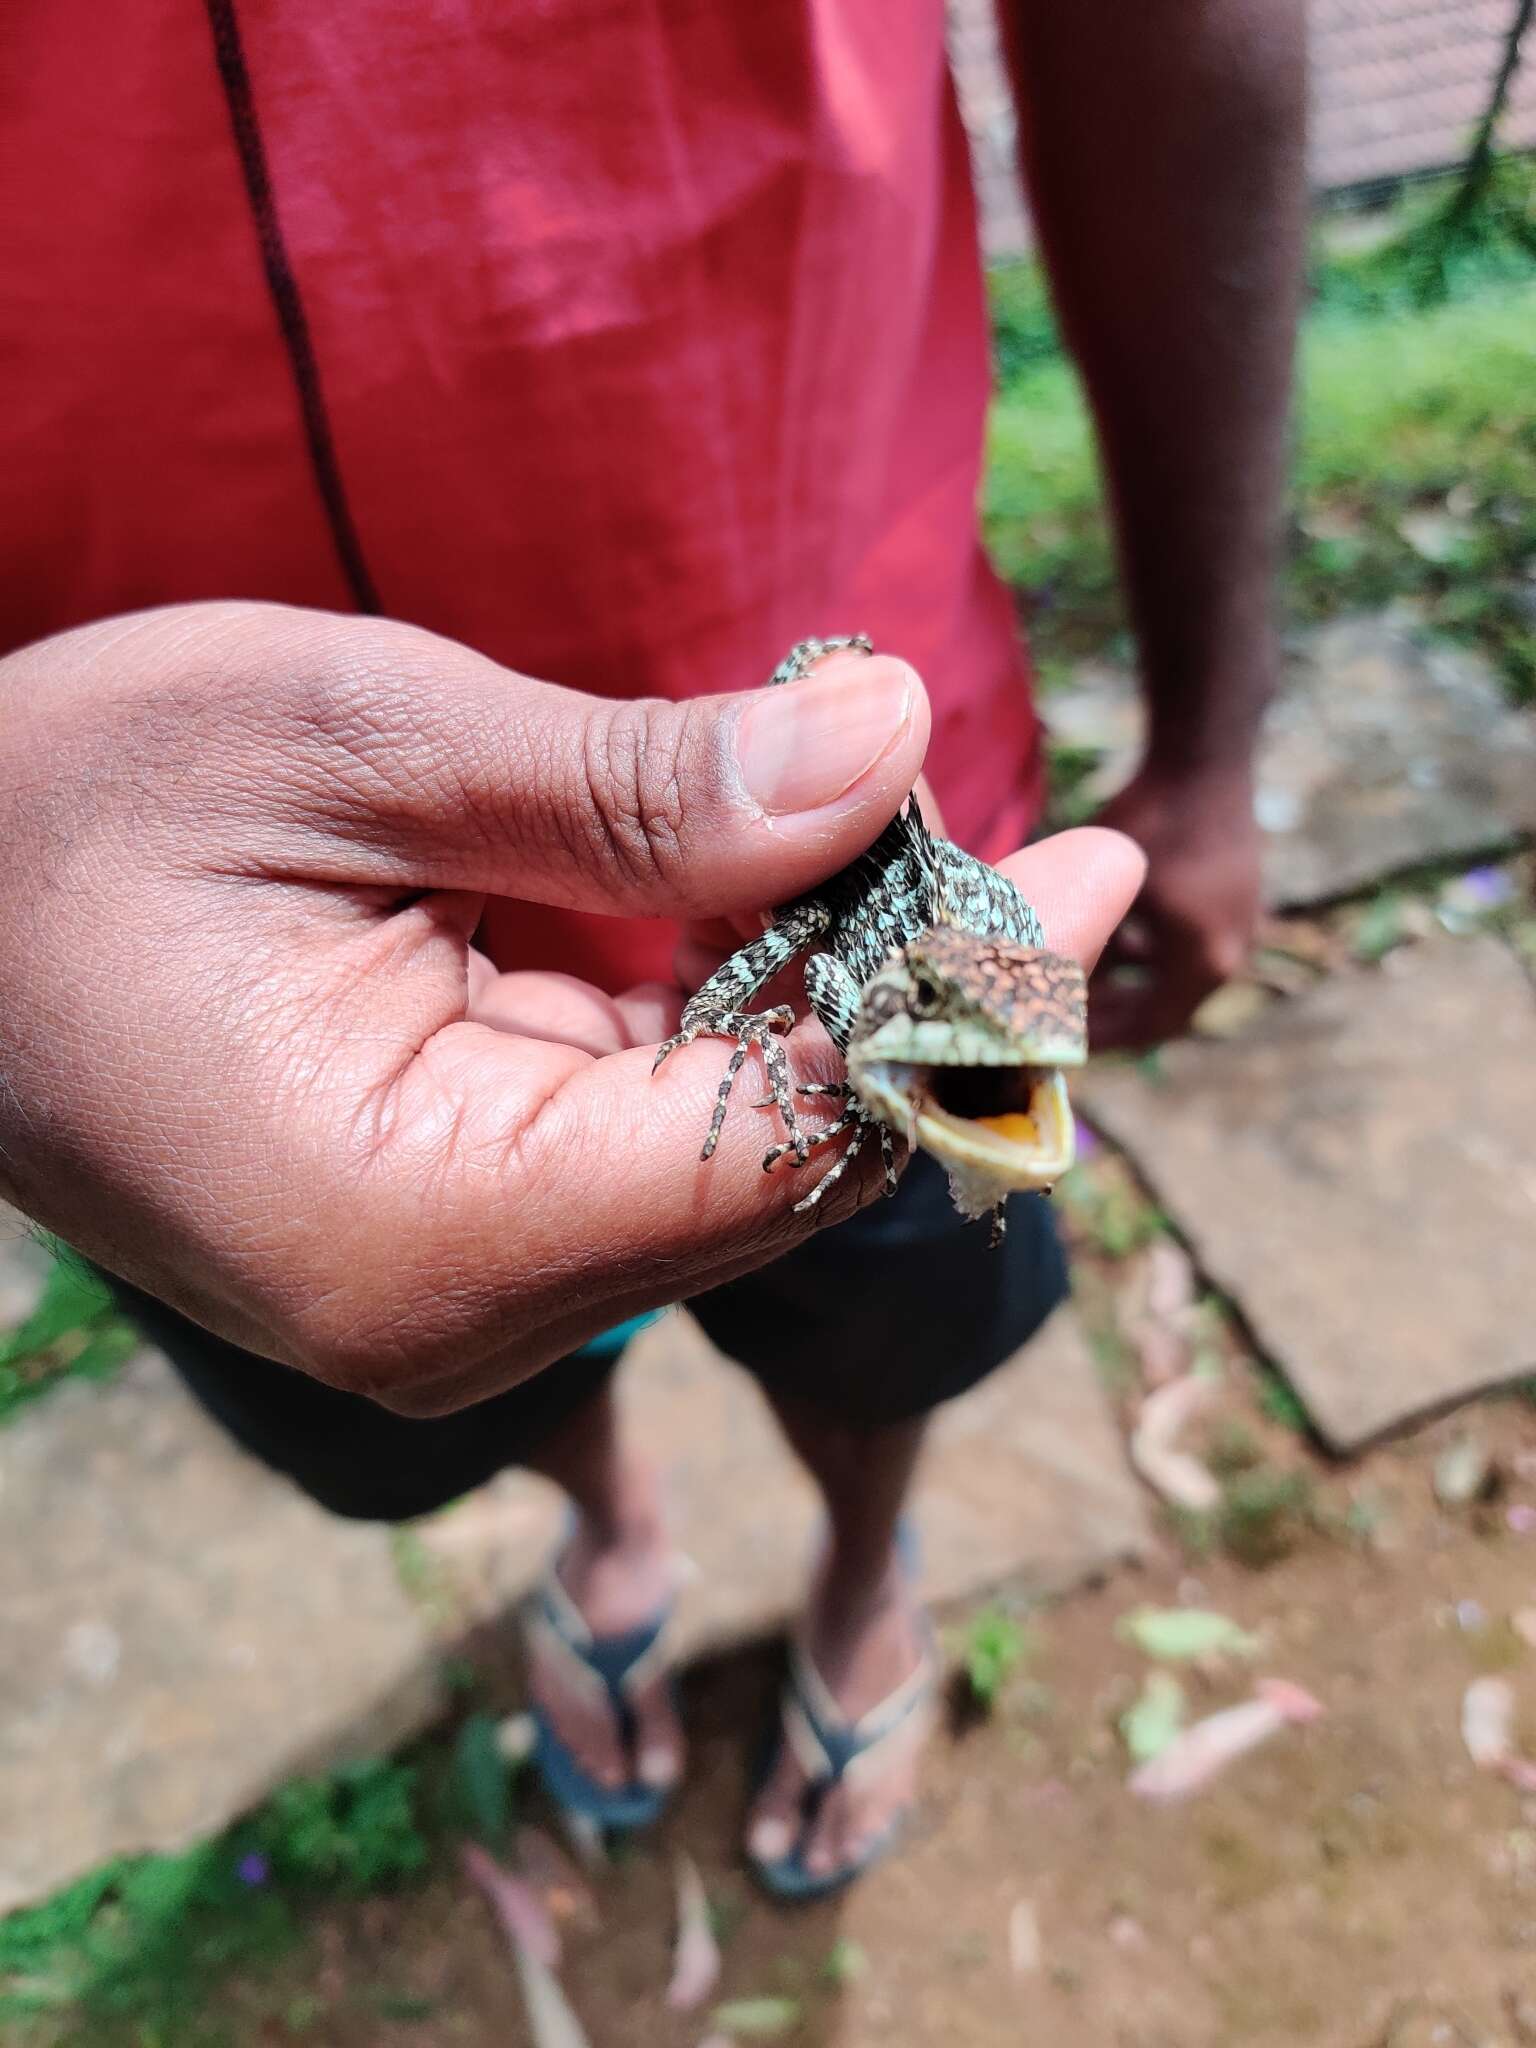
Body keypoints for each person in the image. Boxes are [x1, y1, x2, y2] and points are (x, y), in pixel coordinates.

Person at [0, 0, 1304, 1893]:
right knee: (421, 1380)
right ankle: (612, 1524)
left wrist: (1215, 744)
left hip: (900, 749)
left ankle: (865, 1567)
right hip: (145, 908)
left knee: (947, 1247)